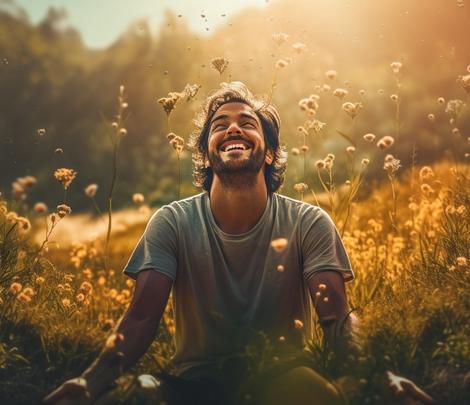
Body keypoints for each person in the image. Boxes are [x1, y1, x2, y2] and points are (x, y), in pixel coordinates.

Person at [44, 82, 434, 405]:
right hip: (193, 384)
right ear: (205, 155)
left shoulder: (309, 222)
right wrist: (89, 383)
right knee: (136, 396)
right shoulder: (172, 222)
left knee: (315, 396)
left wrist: (382, 376)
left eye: (248, 123)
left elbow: (336, 320)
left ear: (271, 152)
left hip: (283, 378)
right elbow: (142, 318)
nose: (233, 129)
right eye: (220, 125)